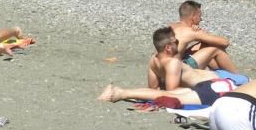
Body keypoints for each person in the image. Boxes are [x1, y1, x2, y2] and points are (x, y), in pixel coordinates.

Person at [99, 27, 238, 107]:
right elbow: (170, 92)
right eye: (176, 42)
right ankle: (119, 92)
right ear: (168, 47)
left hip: (221, 79)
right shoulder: (173, 63)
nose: (179, 43)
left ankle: (121, 92)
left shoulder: (153, 60)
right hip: (218, 82)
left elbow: (153, 88)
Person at [170, 0, 237, 72]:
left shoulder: (171, 26)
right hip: (175, 70)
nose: (201, 19)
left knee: (202, 45)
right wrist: (201, 33)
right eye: (199, 16)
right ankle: (239, 78)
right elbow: (225, 43)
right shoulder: (191, 31)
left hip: (164, 66)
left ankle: (221, 72)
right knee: (215, 48)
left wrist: (201, 38)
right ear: (193, 17)